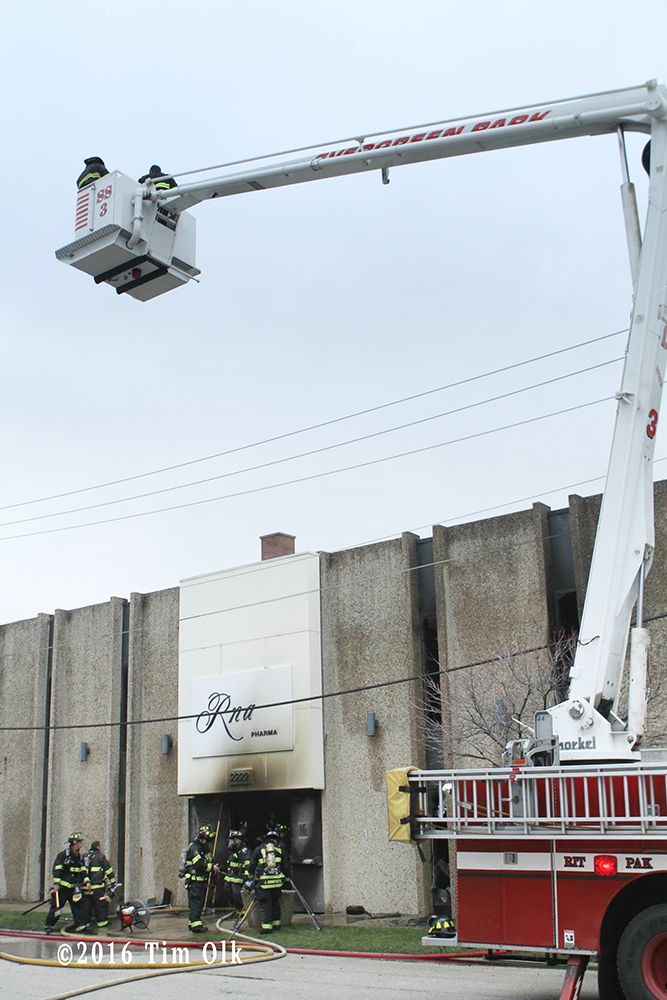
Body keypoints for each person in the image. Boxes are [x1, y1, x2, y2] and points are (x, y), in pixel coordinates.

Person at [44, 832, 91, 934]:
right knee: (57, 907)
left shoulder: (79, 856)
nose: (81, 844)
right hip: (63, 888)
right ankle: (49, 925)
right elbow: (57, 870)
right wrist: (56, 885)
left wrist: (87, 882)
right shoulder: (63, 855)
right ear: (74, 843)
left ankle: (80, 926)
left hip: (74, 887)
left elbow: (83, 871)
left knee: (78, 906)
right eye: (80, 842)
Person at [247, 828, 287, 934]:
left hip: (264, 884)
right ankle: (277, 924)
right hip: (277, 883)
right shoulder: (280, 850)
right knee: (275, 903)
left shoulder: (259, 850)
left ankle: (267, 927)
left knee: (266, 905)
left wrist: (250, 876)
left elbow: (251, 865)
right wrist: (287, 878)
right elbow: (286, 866)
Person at [183, 824, 219, 933]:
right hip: (195, 881)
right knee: (196, 903)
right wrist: (211, 868)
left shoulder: (201, 848)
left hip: (198, 881)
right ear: (202, 839)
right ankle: (196, 925)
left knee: (196, 903)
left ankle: (192, 922)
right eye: (206, 840)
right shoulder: (194, 848)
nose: (207, 843)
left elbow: (208, 859)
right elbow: (199, 864)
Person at [81, 840, 117, 932]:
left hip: (85, 888)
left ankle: (86, 924)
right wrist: (113, 882)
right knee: (101, 906)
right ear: (98, 847)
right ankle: (102, 923)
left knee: (86, 907)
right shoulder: (101, 857)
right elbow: (108, 870)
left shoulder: (84, 856)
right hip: (97, 888)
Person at [223, 829, 251, 915]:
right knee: (226, 889)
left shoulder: (245, 851)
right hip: (230, 876)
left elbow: (248, 865)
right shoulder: (232, 851)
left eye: (233, 840)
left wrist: (246, 877)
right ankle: (236, 908)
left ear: (239, 840)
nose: (231, 842)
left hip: (239, 877)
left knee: (236, 894)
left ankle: (241, 911)